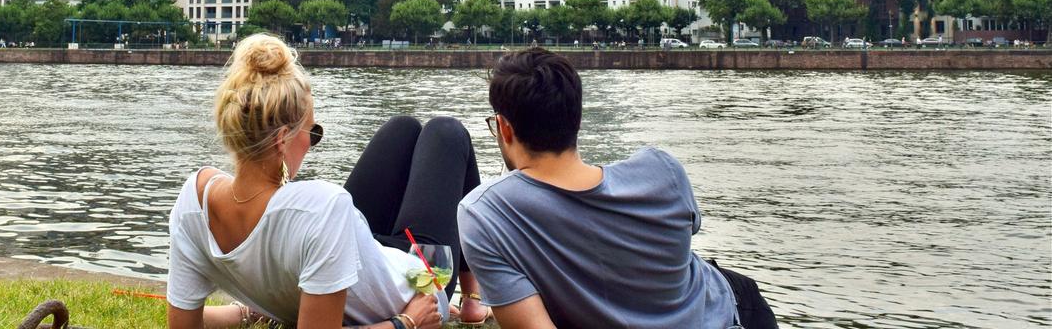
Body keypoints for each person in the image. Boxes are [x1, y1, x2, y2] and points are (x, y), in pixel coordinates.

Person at [166, 33, 489, 329]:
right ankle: (473, 300)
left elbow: (183, 324)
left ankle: (473, 298)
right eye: (312, 133)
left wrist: (253, 309)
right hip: (420, 280)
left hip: (364, 254)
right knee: (446, 131)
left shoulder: (195, 200)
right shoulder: (320, 205)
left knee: (402, 127)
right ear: (282, 140)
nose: (310, 144)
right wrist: (405, 322)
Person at [458, 48, 777, 329]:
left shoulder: (484, 214)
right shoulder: (660, 168)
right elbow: (683, 237)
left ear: (504, 128)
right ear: (577, 119)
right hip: (730, 310)